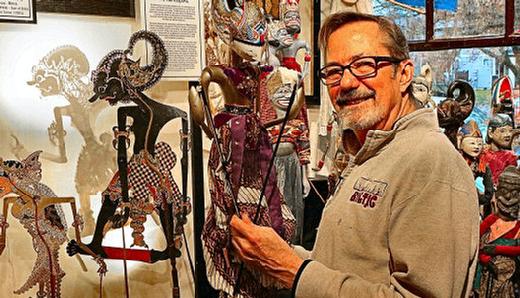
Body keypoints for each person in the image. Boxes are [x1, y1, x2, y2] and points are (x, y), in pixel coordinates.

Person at [230, 11, 480, 297]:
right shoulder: (373, 150)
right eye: (334, 71)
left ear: (405, 75)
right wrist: (281, 252)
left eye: (364, 65)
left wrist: (291, 270)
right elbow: (349, 264)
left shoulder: (431, 160)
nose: (346, 83)